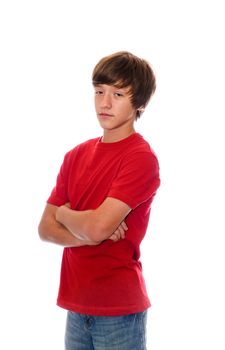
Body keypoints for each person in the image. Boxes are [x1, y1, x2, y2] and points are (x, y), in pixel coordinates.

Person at [38, 51, 160, 350]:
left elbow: (93, 228)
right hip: (76, 304)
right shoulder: (75, 155)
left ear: (140, 104)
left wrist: (66, 214)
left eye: (118, 94)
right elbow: (44, 229)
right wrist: (90, 233)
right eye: (99, 91)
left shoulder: (140, 158)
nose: (104, 103)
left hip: (118, 310)